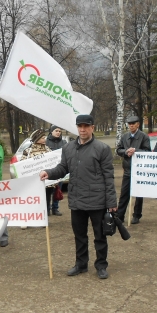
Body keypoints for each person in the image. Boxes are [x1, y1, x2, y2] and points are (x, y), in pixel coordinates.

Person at [40, 114, 117, 279]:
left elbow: (108, 177)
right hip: (76, 199)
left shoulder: (102, 148)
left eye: (86, 126)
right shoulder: (68, 148)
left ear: (92, 128)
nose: (82, 129)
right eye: (80, 126)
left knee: (100, 236)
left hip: (97, 200)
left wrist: (111, 202)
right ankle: (81, 264)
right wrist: (49, 173)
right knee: (79, 235)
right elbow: (62, 168)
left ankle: (101, 265)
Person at [115, 115, 151, 224]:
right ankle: (120, 215)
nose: (131, 126)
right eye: (129, 124)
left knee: (139, 194)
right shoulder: (125, 136)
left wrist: (136, 151)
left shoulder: (143, 136)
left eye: (133, 124)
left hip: (139, 170)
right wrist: (126, 152)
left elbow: (147, 152)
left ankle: (136, 215)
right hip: (128, 169)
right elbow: (118, 150)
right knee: (124, 194)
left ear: (138, 124)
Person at [20, 129, 56, 216]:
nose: (45, 139)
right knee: (36, 201)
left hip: (47, 182)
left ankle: (45, 216)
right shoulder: (28, 151)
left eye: (45, 137)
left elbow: (53, 162)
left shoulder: (48, 149)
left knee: (46, 199)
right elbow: (22, 165)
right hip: (34, 182)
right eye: (42, 138)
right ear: (37, 139)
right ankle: (35, 217)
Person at [45, 125, 67, 216]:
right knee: (48, 191)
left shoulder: (64, 142)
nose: (58, 132)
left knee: (57, 190)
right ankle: (47, 209)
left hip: (60, 170)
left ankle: (55, 208)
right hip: (49, 170)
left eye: (59, 131)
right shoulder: (46, 142)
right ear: (51, 132)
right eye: (56, 131)